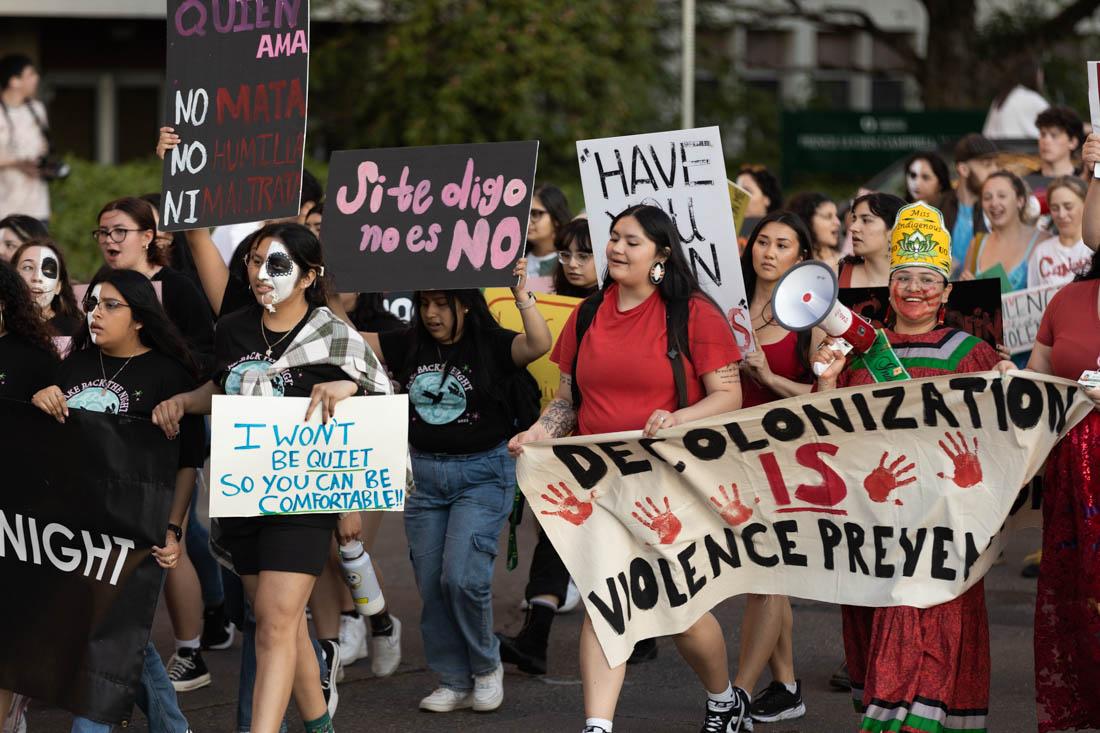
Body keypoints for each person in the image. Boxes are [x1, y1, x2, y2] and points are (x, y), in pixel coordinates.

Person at [510, 204, 745, 733]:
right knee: (604, 599)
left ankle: (723, 697)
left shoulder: (694, 314)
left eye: (630, 241)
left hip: (668, 484)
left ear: (661, 254)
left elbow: (728, 393)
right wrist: (538, 434)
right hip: (595, 482)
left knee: (679, 609)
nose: (616, 248)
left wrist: (678, 416)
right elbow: (568, 400)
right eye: (613, 238)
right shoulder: (589, 312)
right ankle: (599, 725)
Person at [152, 222, 387, 733]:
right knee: (280, 623)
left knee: (277, 620)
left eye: (276, 264)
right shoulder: (233, 328)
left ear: (309, 276)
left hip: (306, 501)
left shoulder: (333, 333)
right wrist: (183, 402)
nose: (261, 274)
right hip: (246, 495)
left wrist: (348, 388)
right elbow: (223, 387)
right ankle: (320, 726)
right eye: (255, 262)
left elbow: (382, 403)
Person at [814, 202, 1003, 733]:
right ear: (889, 284)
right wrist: (827, 381)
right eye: (904, 278)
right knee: (884, 633)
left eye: (928, 280)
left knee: (932, 638)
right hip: (876, 528)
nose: (915, 288)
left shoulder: (974, 356)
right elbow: (824, 437)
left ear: (946, 294)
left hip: (946, 531)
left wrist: (1014, 382)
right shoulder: (858, 353)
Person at [357, 259, 551, 713]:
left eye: (442, 303)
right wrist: (335, 285)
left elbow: (539, 343)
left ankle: (486, 667)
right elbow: (351, 339)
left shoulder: (491, 344)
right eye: (425, 303)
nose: (431, 313)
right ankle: (451, 678)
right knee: (432, 585)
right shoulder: (408, 343)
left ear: (465, 304)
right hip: (424, 479)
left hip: (482, 476)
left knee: (463, 577)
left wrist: (522, 295)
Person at [31, 268, 203, 733]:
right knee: (117, 636)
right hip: (75, 529)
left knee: (107, 635)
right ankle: (173, 726)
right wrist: (43, 398)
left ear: (140, 317)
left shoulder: (168, 374)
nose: (96, 314)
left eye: (110, 305)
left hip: (135, 530)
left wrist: (173, 528)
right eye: (92, 304)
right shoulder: (72, 367)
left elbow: (187, 461)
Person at [735, 212, 819, 725]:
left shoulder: (812, 315)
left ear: (802, 258)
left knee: (764, 574)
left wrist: (768, 376)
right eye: (762, 241)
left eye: (781, 244)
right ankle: (786, 686)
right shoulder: (732, 306)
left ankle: (738, 695)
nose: (767, 252)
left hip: (784, 457)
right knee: (768, 576)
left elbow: (825, 396)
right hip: (729, 451)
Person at [1025, 247, 1100, 733]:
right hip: (1074, 469)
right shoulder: (1068, 298)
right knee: (1082, 597)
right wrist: (1012, 382)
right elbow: (1038, 381)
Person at [96, 197, 215, 371]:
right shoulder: (99, 284)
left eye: (120, 231)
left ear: (147, 237)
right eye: (103, 232)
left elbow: (205, 353)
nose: (108, 239)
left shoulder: (177, 286)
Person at [962, 171, 1041, 293]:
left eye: (1002, 196)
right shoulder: (976, 244)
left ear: (1020, 201)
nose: (994, 203)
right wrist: (967, 290)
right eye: (987, 198)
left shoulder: (1042, 240)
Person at [939, 134, 999, 275]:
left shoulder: (997, 210)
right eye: (987, 165)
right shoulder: (937, 208)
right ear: (964, 169)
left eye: (996, 164)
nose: (995, 170)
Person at [0, 55, 49, 222]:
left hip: (37, 207)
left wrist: (43, 163)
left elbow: (44, 146)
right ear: (14, 81)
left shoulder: (37, 109)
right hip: (4, 207)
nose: (36, 79)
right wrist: (18, 163)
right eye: (30, 74)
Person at [1027, 176, 1093, 287]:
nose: (1061, 215)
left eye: (1068, 207)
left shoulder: (1095, 246)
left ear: (1085, 204)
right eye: (1054, 208)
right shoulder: (1041, 252)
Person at [11, 238, 80, 336]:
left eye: (48, 271)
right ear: (12, 275)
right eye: (28, 267)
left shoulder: (74, 332)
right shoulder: (4, 325)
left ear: (58, 286)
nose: (37, 277)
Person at [837, 193, 905, 288]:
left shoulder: (917, 282)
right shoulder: (836, 273)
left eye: (866, 220)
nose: (853, 227)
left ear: (893, 230)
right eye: (854, 219)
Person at [982, 55, 1048, 140]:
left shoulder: (1001, 98)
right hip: (1022, 151)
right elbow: (1054, 133)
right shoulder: (1035, 100)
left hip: (995, 151)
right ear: (1034, 76)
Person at [525, 184, 572, 292]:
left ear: (556, 217)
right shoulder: (511, 259)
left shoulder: (571, 261)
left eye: (535, 214)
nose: (528, 221)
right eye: (525, 214)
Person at [787, 192, 842, 271]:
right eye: (828, 217)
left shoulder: (845, 260)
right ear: (807, 220)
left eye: (836, 216)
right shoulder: (793, 261)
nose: (837, 222)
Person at [553, 218, 599, 297]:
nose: (572, 264)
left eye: (583, 256)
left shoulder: (612, 304)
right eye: (566, 255)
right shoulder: (553, 297)